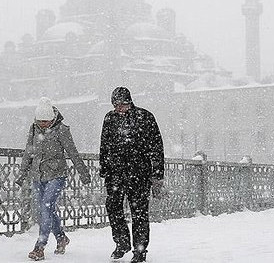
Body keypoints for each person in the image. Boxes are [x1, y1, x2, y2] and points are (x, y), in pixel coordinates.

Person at [15, 97, 91, 261]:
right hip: (38, 175)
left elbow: (72, 152)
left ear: (52, 119)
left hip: (57, 175)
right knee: (48, 209)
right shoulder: (34, 129)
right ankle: (61, 238)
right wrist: (22, 174)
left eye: (46, 121)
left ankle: (39, 246)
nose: (42, 124)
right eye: (40, 121)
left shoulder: (61, 130)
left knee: (46, 207)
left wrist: (84, 173)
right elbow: (29, 152)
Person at [100, 87, 165, 263]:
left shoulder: (145, 117)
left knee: (140, 212)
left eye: (122, 104)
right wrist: (104, 168)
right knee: (113, 207)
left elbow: (157, 146)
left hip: (139, 173)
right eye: (116, 105)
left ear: (130, 102)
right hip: (116, 173)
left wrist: (157, 173)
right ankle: (121, 242)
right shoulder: (110, 118)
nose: (119, 108)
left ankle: (140, 249)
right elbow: (105, 144)